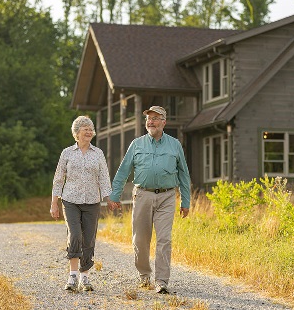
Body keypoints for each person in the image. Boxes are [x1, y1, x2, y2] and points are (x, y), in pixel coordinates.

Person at [109, 105, 191, 294]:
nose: (151, 121)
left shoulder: (175, 145)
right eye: (149, 118)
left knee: (164, 239)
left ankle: (161, 281)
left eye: (155, 118)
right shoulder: (136, 144)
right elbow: (123, 171)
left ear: (164, 122)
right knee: (140, 240)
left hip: (167, 196)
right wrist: (115, 195)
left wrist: (185, 202)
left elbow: (184, 175)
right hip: (142, 195)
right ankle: (144, 275)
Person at [51, 115, 119, 292]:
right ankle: (72, 276)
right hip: (70, 200)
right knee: (75, 235)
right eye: (85, 129)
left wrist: (109, 198)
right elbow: (58, 179)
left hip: (92, 202)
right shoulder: (67, 153)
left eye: (91, 129)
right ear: (77, 133)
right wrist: (54, 203)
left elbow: (104, 178)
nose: (89, 131)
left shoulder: (98, 153)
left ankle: (85, 277)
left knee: (88, 239)